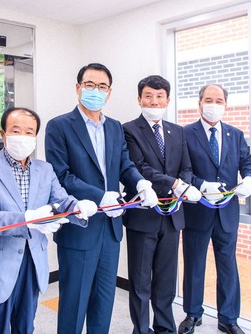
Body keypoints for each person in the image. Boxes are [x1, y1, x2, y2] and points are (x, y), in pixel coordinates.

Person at [45, 63, 159, 334]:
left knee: (104, 304)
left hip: (110, 231)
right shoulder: (59, 126)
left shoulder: (115, 127)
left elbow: (124, 164)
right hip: (79, 229)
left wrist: (141, 183)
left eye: (102, 87)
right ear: (78, 88)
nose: (96, 91)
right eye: (90, 85)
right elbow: (62, 175)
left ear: (109, 93)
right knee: (73, 304)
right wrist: (100, 196)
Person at [0, 107, 98, 334]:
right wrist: (28, 219)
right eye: (16, 130)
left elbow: (61, 200)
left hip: (33, 261)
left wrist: (78, 207)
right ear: (3, 133)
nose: (23, 136)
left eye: (29, 132)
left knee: (25, 326)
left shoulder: (45, 169)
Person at [122, 75, 202, 334]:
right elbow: (139, 167)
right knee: (141, 282)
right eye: (148, 96)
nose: (154, 101)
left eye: (159, 97)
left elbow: (186, 167)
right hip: (144, 216)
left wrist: (184, 187)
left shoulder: (177, 131)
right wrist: (176, 184)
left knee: (166, 282)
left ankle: (165, 329)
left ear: (167, 99)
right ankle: (141, 330)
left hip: (172, 217)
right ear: (139, 99)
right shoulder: (129, 129)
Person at [179, 84, 251, 334]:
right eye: (209, 99)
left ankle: (228, 318)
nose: (214, 104)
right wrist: (201, 185)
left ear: (226, 104)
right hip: (197, 210)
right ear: (200, 103)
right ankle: (192, 314)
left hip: (226, 213)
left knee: (228, 265)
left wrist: (249, 179)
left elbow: (248, 163)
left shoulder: (235, 134)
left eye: (219, 100)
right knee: (194, 264)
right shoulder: (185, 134)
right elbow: (183, 170)